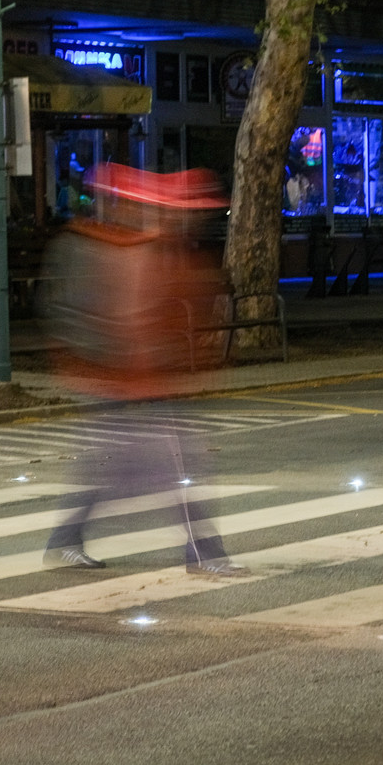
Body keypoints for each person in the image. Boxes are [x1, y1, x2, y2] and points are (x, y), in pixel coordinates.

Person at [38, 162, 245, 576]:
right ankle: (204, 552)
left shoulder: (138, 247)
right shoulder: (122, 248)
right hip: (131, 381)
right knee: (176, 467)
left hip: (131, 381)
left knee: (116, 469)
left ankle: (65, 542)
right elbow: (130, 318)